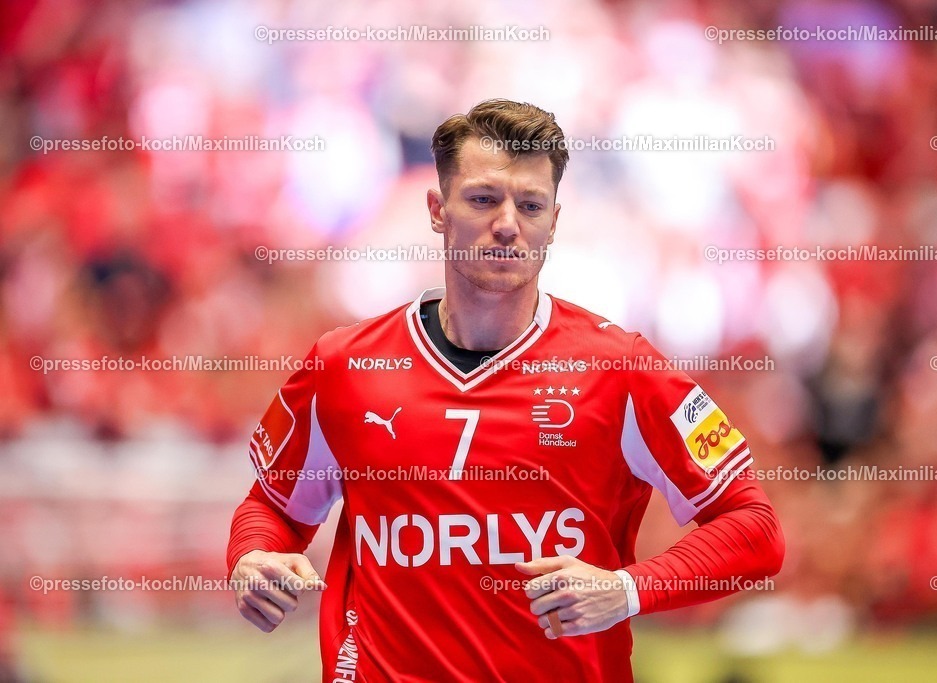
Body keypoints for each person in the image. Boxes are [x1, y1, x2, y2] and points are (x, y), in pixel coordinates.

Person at [226, 99, 784, 682]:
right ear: (438, 210)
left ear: (554, 220)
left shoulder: (622, 369)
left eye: (531, 204)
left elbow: (753, 527)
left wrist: (626, 590)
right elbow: (270, 506)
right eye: (484, 199)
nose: (508, 223)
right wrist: (253, 558)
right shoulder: (343, 365)